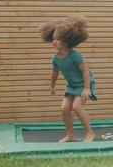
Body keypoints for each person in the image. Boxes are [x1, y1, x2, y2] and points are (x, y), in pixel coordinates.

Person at [38, 14, 97, 142]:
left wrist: (87, 88)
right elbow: (55, 73)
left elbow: (86, 71)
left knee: (76, 106)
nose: (54, 42)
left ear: (66, 41)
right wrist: (52, 86)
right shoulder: (55, 58)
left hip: (84, 84)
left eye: (57, 40)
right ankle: (70, 135)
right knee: (64, 108)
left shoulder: (75, 56)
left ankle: (90, 133)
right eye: (53, 39)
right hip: (71, 85)